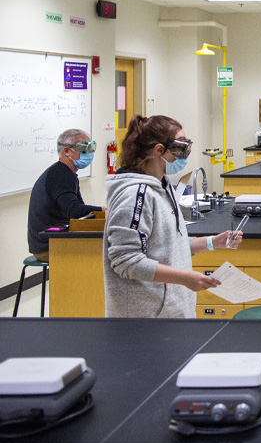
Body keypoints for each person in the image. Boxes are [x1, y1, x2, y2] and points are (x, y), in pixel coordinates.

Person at [103, 115, 242, 318]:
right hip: (144, 320)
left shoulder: (162, 186)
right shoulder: (134, 194)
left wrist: (212, 242)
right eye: (181, 147)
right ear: (159, 150)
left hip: (169, 314)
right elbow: (126, 260)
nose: (185, 154)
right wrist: (184, 278)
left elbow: (167, 245)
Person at [27, 129, 105, 263]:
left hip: (52, 240)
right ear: (66, 151)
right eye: (83, 148)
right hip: (47, 246)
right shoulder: (60, 175)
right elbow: (74, 211)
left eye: (91, 148)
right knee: (101, 252)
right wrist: (103, 210)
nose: (89, 154)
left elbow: (79, 210)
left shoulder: (67, 173)